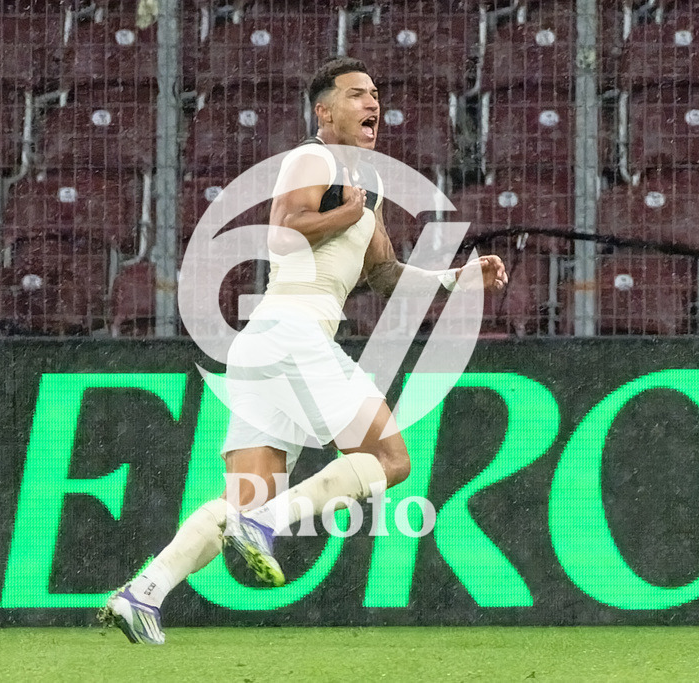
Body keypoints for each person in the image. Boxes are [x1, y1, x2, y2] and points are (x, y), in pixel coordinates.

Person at [100, 56, 508, 645]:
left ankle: (143, 592)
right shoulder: (313, 157)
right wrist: (353, 208)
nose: (372, 104)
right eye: (356, 95)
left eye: (375, 94)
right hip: (292, 332)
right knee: (393, 460)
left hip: (268, 347)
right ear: (325, 111)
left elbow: (385, 274)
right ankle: (264, 524)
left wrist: (456, 279)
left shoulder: (367, 185)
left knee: (240, 498)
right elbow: (286, 228)